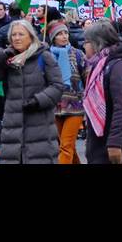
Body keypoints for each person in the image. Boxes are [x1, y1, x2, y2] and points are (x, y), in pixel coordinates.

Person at [0, 18, 63, 164]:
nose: (17, 38)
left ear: (31, 36)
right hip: (12, 131)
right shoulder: (9, 60)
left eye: (21, 34)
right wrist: (2, 53)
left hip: (40, 129)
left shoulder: (44, 56)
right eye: (13, 35)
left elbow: (57, 86)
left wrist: (38, 101)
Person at [81, 19, 122, 164]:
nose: (83, 46)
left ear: (96, 43)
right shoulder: (99, 66)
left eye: (86, 42)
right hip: (103, 145)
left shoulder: (119, 67)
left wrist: (115, 144)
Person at [47, 21, 86, 163]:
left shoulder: (77, 54)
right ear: (53, 38)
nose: (64, 36)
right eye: (59, 34)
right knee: (66, 146)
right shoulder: (47, 56)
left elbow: (87, 77)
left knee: (65, 145)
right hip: (55, 107)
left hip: (75, 106)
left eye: (65, 33)